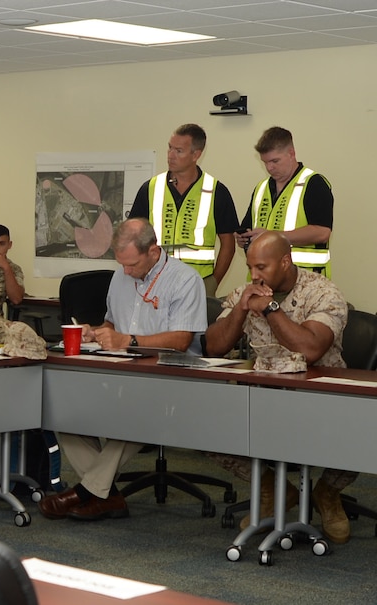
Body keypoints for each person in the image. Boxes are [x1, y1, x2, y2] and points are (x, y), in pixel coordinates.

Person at [39, 218, 207, 521]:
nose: (126, 272)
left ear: (154, 252)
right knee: (63, 411)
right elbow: (113, 323)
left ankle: (87, 492)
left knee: (134, 413)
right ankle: (107, 495)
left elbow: (182, 340)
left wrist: (127, 340)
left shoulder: (185, 280)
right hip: (121, 373)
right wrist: (97, 333)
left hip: (171, 378)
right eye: (122, 265)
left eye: (132, 265)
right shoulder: (120, 277)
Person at [203, 231, 353, 543]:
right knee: (207, 423)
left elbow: (310, 349)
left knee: (362, 429)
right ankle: (273, 488)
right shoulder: (248, 291)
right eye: (250, 268)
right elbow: (214, 347)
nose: (254, 275)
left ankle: (327, 492)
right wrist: (242, 309)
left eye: (261, 267)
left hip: (320, 398)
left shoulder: (323, 293)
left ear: (285, 262)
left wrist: (271, 308)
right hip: (264, 395)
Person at [129, 123, 239, 296]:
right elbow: (132, 236)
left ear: (196, 154)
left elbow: (228, 243)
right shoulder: (150, 188)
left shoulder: (216, 191)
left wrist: (213, 282)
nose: (170, 156)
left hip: (198, 281)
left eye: (178, 151)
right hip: (155, 280)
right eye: (170, 148)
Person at [236, 126, 333, 274]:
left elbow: (322, 233)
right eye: (265, 162)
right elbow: (249, 227)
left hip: (305, 280)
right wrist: (243, 239)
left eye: (275, 161)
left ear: (291, 154)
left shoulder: (314, 183)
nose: (270, 167)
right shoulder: (261, 188)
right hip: (263, 280)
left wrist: (272, 237)